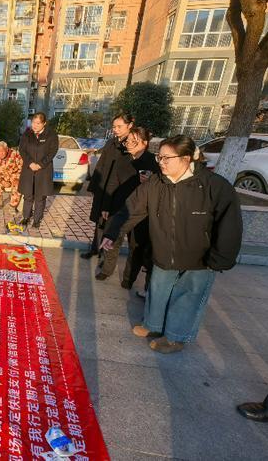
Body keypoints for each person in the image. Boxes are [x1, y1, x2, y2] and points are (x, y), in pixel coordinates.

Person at [101, 135, 242, 354]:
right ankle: (153, 325)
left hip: (199, 259)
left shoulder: (214, 186)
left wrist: (221, 258)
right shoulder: (156, 183)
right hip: (164, 252)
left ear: (186, 158)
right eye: (159, 157)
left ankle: (176, 337)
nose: (161, 162)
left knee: (187, 297)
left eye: (167, 158)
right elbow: (132, 208)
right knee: (157, 290)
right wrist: (112, 232)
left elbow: (230, 225)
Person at [96, 126, 159, 287]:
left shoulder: (153, 162)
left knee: (135, 246)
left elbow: (159, 188)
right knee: (112, 239)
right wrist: (106, 205)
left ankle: (128, 278)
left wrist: (150, 180)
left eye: (133, 141)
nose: (129, 144)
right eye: (128, 141)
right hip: (118, 206)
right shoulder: (122, 158)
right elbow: (112, 182)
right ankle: (107, 270)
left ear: (144, 143)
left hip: (140, 210)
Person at [81, 113, 133, 260]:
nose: (115, 130)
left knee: (112, 223)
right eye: (114, 127)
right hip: (103, 187)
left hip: (117, 190)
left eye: (119, 127)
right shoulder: (111, 142)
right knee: (99, 221)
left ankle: (106, 256)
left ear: (130, 125)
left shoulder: (130, 145)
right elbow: (101, 165)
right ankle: (95, 249)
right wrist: (93, 187)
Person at [17, 112, 59, 228]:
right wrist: (30, 163)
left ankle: (37, 219)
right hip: (29, 168)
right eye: (33, 122)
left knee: (40, 197)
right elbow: (22, 150)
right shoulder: (27, 134)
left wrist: (40, 164)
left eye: (38, 123)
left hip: (43, 170)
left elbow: (52, 152)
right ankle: (26, 217)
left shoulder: (51, 135)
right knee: (28, 195)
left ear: (44, 123)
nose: (34, 125)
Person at [0, 141, 23, 213]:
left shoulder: (15, 154)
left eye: (3, 151)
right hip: (1, 178)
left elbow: (22, 168)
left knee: (17, 186)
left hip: (14, 177)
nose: (1, 153)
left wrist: (16, 178)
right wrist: (2, 181)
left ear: (7, 149)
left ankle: (13, 206)